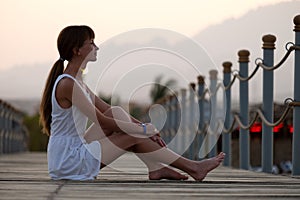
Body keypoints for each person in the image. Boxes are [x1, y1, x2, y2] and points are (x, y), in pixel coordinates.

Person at [40, 25, 225, 181]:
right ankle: (193, 168)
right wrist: (143, 131)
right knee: (133, 136)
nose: (96, 47)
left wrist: (144, 127)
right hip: (68, 161)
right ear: (77, 50)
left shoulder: (77, 82)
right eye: (91, 43)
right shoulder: (67, 84)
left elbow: (108, 111)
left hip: (74, 148)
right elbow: (102, 121)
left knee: (117, 112)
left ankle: (156, 167)